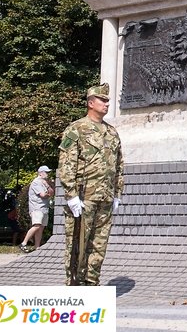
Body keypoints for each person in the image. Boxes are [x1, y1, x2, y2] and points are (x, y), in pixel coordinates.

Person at [59, 83, 124, 286]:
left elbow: (119, 164)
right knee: (77, 243)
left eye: (107, 100)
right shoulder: (76, 129)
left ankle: (91, 283)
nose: (106, 104)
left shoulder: (112, 133)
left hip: (104, 197)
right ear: (90, 103)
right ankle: (74, 286)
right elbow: (66, 164)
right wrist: (71, 195)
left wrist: (117, 194)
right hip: (83, 196)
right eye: (102, 100)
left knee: (99, 244)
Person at [19, 166, 55, 253]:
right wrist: (48, 193)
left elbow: (52, 192)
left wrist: (47, 186)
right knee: (37, 225)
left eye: (48, 172)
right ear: (40, 173)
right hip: (37, 208)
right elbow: (43, 195)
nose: (48, 174)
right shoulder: (36, 183)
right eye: (46, 172)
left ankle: (37, 247)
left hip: (44, 208)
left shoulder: (45, 182)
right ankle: (23, 243)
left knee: (41, 227)